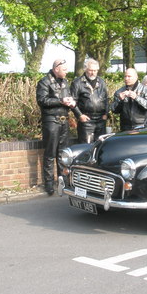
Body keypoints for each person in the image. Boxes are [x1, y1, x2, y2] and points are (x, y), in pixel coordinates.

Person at [36, 58, 83, 195]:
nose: (66, 72)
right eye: (64, 69)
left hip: (64, 120)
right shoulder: (44, 82)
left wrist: (78, 114)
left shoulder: (65, 82)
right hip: (51, 120)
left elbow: (69, 100)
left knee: (63, 154)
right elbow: (42, 100)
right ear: (56, 69)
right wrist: (61, 101)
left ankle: (62, 181)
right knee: (50, 153)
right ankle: (49, 184)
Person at [70, 58, 107, 143]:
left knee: (101, 145)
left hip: (101, 119)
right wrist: (79, 115)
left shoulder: (101, 82)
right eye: (90, 70)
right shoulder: (77, 83)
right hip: (86, 120)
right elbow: (72, 101)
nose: (93, 72)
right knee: (86, 147)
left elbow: (106, 99)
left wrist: (106, 113)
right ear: (85, 69)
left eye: (95, 70)